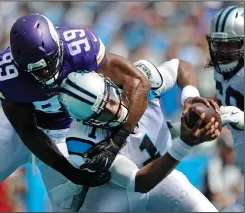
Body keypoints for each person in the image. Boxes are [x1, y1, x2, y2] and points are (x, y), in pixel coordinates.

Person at [0, 12, 151, 211]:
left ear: (58, 46)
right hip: (22, 134)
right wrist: (68, 171)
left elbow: (138, 81)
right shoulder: (6, 76)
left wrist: (117, 140)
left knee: (69, 208)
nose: (46, 74)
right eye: (36, 70)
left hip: (70, 134)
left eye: (48, 63)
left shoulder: (80, 48)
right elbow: (27, 130)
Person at [57, 60, 220, 212]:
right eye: (102, 113)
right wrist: (184, 144)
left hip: (165, 179)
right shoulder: (82, 141)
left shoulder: (138, 79)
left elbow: (180, 66)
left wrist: (190, 96)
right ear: (87, 121)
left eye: (110, 100)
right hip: (116, 192)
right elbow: (138, 183)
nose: (114, 110)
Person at [206, 5, 244, 212]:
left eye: (231, 45)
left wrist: (242, 119)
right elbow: (220, 103)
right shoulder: (220, 72)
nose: (223, 52)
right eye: (219, 45)